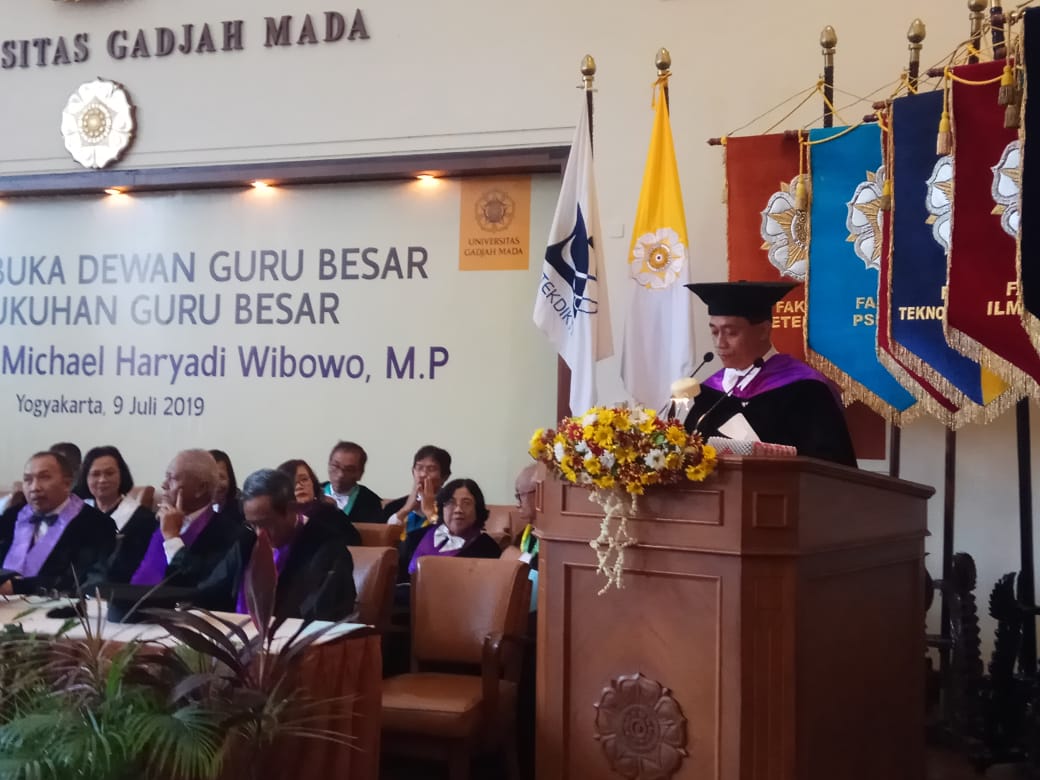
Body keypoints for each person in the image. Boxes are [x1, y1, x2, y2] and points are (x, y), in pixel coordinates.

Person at [683, 280, 857, 467]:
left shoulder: (807, 389)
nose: (720, 343)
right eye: (714, 332)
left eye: (731, 333)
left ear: (764, 331)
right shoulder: (710, 393)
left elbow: (832, 465)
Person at [196, 468, 357, 621]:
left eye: (266, 523)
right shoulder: (248, 541)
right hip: (240, 635)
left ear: (292, 509)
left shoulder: (327, 547)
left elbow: (323, 614)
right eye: (252, 524)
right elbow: (209, 591)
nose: (259, 533)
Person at [0, 451, 115, 595]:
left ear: (67, 483)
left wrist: (17, 587)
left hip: (59, 605)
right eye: (28, 480)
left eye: (44, 477)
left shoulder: (96, 524)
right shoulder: (13, 516)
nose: (34, 487)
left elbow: (84, 581)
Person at [126, 449, 241, 587]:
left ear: (201, 488)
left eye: (172, 478)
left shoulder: (228, 534)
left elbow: (202, 584)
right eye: (166, 476)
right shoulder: (152, 522)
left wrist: (172, 539)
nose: (164, 484)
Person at [74, 446, 158, 583]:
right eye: (95, 474)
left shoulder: (143, 519)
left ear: (121, 475)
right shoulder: (76, 514)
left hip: (117, 590)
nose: (102, 480)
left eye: (109, 473)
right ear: (85, 478)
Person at [400, 478, 501, 580]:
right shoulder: (415, 537)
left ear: (477, 509)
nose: (458, 510)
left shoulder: (488, 549)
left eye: (466, 503)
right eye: (451, 502)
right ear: (442, 508)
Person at [277, 458, 362, 547]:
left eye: (304, 479)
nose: (299, 486)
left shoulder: (330, 512)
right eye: (292, 482)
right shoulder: (277, 519)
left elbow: (353, 541)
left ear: (313, 483)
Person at [383, 445, 452, 536]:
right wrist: (405, 509)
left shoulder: (451, 506)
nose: (423, 474)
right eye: (419, 468)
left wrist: (430, 511)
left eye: (431, 469)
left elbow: (449, 536)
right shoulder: (395, 506)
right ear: (413, 472)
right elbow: (383, 536)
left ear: (445, 477)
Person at [322, 442, 383, 524]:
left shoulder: (371, 502)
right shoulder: (313, 491)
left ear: (360, 474)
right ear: (329, 465)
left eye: (349, 470)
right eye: (336, 466)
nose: (340, 475)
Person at [209, 449, 244, 525]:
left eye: (221, 477)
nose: (215, 484)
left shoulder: (242, 508)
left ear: (230, 478)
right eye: (209, 477)